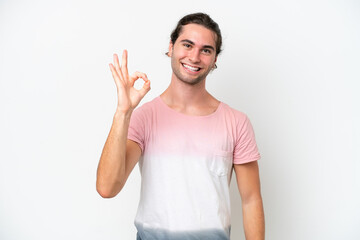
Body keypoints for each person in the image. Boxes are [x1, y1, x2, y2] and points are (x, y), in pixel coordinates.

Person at [96, 12, 265, 240]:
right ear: (171, 47)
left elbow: (251, 199)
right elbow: (107, 188)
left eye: (206, 50)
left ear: (215, 59)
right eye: (187, 45)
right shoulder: (144, 117)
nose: (194, 57)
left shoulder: (236, 122)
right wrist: (123, 112)